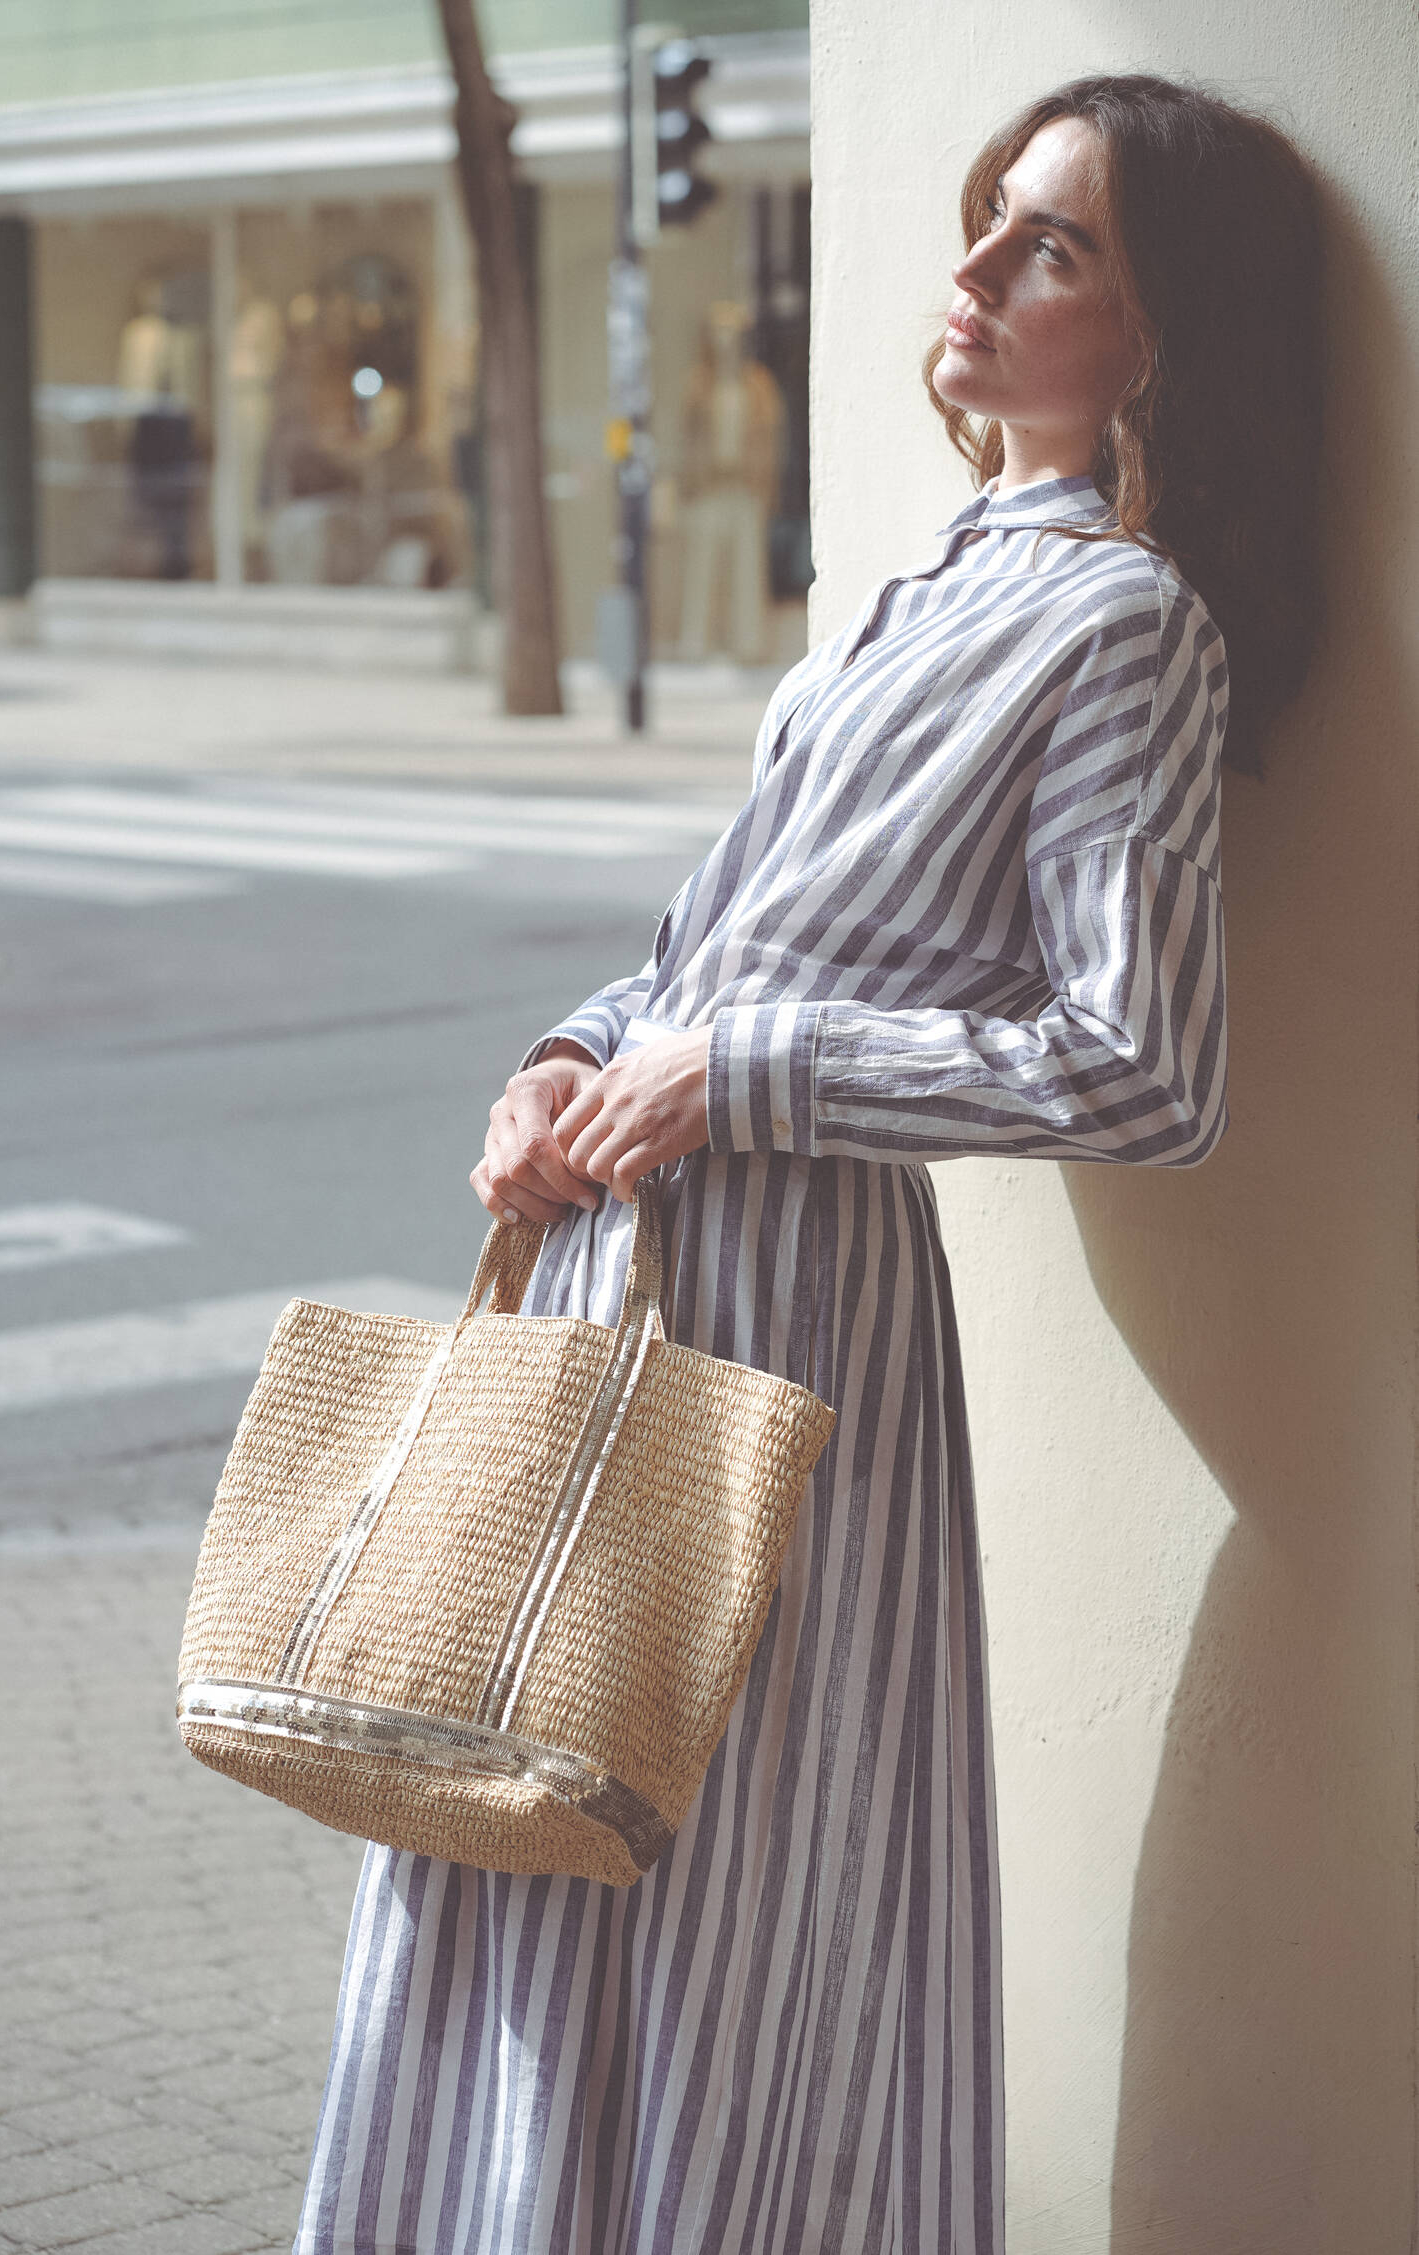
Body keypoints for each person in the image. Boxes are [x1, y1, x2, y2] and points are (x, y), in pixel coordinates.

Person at [294, 74, 1321, 2255]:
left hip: (788, 1327)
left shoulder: (1127, 627)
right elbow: (713, 937)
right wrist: (570, 1062)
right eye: (986, 220)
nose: (969, 273)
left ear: (1167, 341)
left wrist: (742, 1069)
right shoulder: (925, 576)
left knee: (703, 1856)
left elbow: (1145, 1070)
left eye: (1054, 246)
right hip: (636, 1260)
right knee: (511, 1778)